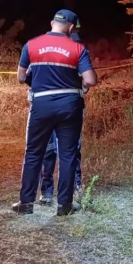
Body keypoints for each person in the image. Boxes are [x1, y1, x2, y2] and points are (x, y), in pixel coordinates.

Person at [13, 9, 97, 216]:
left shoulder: (31, 45)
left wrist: (40, 84)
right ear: (71, 28)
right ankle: (64, 206)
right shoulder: (78, 48)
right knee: (67, 155)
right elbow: (91, 80)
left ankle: (26, 203)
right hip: (70, 105)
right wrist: (79, 84)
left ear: (52, 23)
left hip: (41, 104)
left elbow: (21, 77)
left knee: (33, 153)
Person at [37, 19, 86, 206]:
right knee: (67, 150)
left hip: (48, 108)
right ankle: (68, 191)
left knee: (52, 150)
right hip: (68, 109)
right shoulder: (77, 49)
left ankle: (50, 192)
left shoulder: (44, 48)